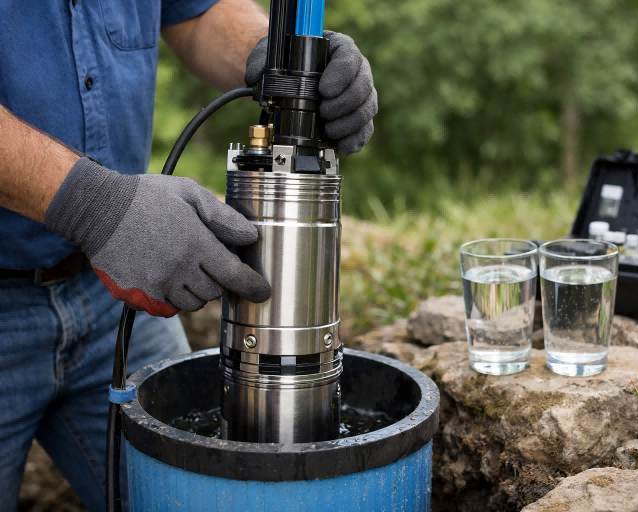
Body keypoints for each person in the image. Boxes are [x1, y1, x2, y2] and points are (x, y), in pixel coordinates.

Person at [0, 0, 377, 509]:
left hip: (118, 291)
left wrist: (275, 58)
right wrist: (91, 206)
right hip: (102, 246)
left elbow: (198, 14)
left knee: (203, 496)